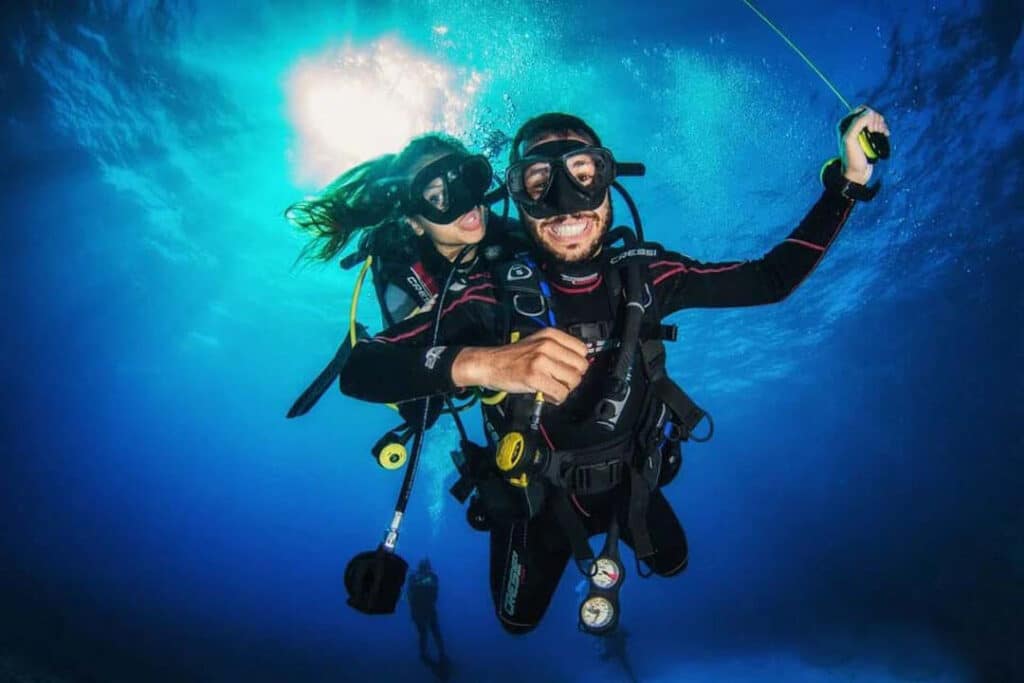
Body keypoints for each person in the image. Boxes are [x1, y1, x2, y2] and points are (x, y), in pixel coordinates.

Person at [338, 108, 890, 634]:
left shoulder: (649, 275)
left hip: (634, 481)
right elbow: (360, 370)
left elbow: (771, 279)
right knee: (517, 623)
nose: (566, 204)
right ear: (518, 199)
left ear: (608, 181)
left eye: (583, 175)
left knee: (675, 565)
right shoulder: (486, 296)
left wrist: (848, 180)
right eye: (539, 184)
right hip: (537, 502)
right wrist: (482, 361)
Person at [284, 132, 517, 420]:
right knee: (423, 408)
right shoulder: (403, 267)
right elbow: (370, 377)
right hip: (429, 320)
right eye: (436, 197)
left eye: (465, 179)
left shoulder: (513, 238)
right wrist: (474, 364)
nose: (463, 201)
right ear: (415, 223)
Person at [406, 558, 449, 676]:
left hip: (428, 610)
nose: (425, 569)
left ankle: (441, 655)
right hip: (419, 610)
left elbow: (434, 591)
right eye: (424, 567)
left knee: (434, 632)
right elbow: (410, 593)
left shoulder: (432, 577)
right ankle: (426, 655)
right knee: (425, 633)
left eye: (426, 567)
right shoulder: (414, 577)